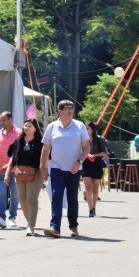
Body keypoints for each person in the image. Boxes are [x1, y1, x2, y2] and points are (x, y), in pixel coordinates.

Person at [40, 100, 90, 238]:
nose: (70, 111)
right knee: (56, 196)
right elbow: (46, 148)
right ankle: (55, 227)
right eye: (67, 108)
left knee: (72, 198)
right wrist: (42, 166)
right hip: (56, 168)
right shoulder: (52, 127)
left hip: (74, 168)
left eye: (72, 108)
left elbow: (86, 147)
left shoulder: (79, 126)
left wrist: (79, 162)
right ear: (59, 111)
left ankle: (73, 227)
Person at [5, 118, 44, 236]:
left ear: (35, 129)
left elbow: (46, 157)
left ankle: (31, 226)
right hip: (20, 172)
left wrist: (45, 170)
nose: (26, 128)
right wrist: (7, 173)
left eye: (30, 126)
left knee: (31, 198)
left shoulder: (41, 142)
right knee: (22, 200)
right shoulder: (18, 141)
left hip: (36, 172)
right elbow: (12, 158)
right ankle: (29, 221)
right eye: (25, 125)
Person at [0, 111, 21, 229]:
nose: (1, 122)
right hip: (0, 169)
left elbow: (20, 153)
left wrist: (10, 167)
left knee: (14, 195)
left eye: (4, 120)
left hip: (14, 170)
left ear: (10, 119)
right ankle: (1, 218)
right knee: (2, 195)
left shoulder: (19, 133)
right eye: (1, 120)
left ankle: (12, 217)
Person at [82, 122, 109, 217]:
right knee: (88, 187)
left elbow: (105, 153)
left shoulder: (100, 139)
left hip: (97, 164)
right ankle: (90, 209)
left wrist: (94, 155)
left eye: (87, 128)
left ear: (92, 129)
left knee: (95, 188)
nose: (86, 130)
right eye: (85, 128)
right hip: (86, 164)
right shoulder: (82, 139)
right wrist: (87, 155)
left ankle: (94, 207)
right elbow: (79, 151)